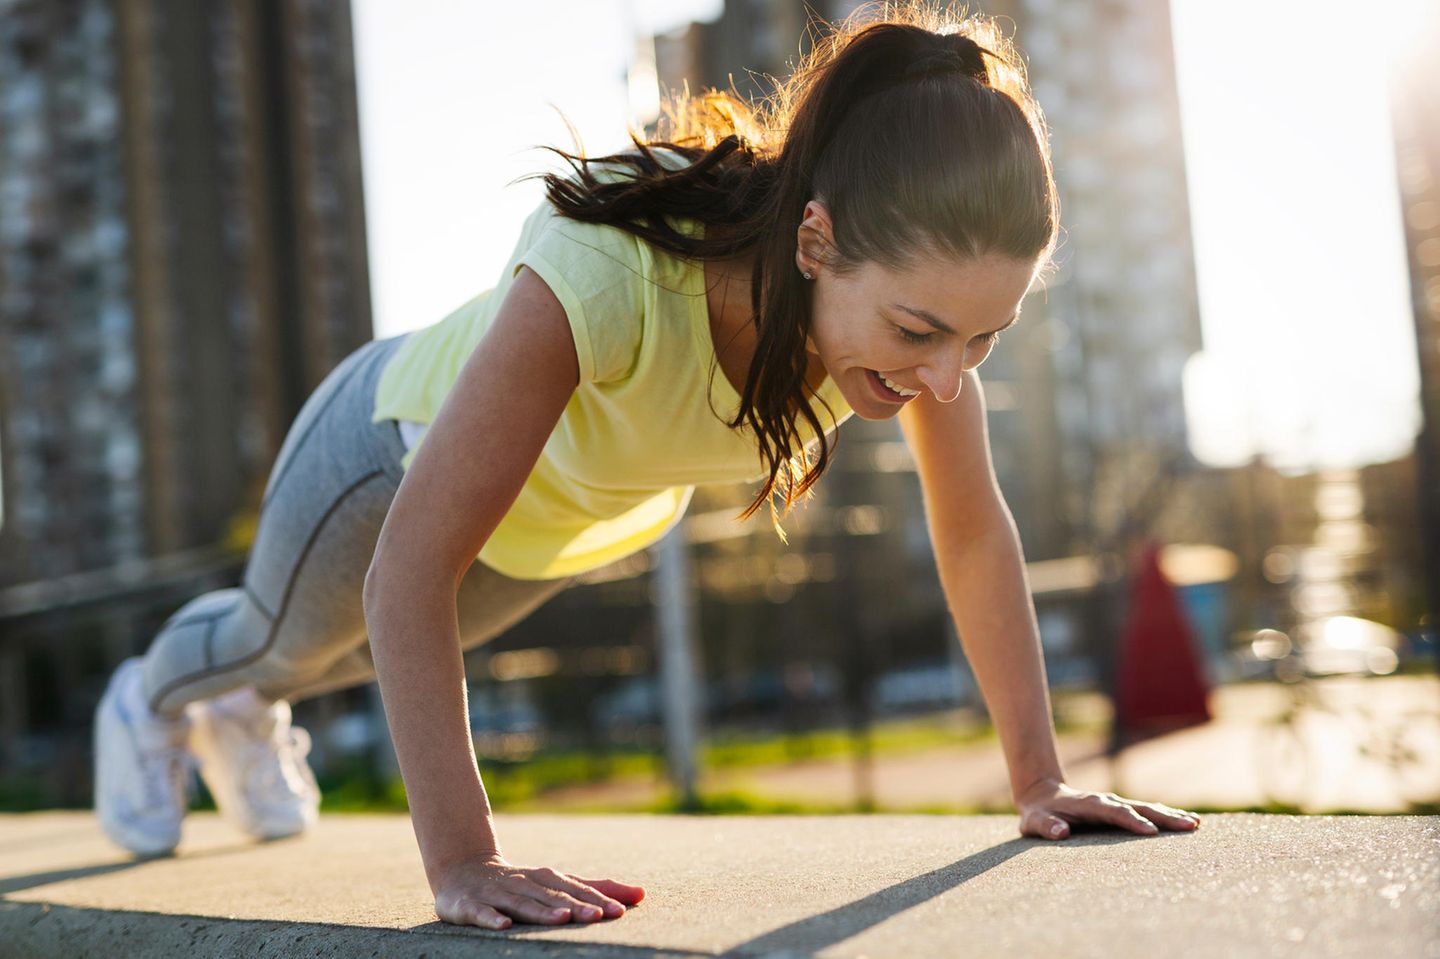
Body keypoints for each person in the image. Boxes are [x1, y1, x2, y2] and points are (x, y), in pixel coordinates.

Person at [93, 0, 1202, 932]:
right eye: (920, 331)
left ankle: (242, 711)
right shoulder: (613, 271)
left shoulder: (914, 336)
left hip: (556, 527)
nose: (948, 378)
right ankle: (151, 696)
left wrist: (1039, 779)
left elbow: (971, 530)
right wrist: (464, 859)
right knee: (275, 638)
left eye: (985, 338)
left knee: (337, 664)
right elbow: (406, 571)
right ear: (815, 240)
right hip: (383, 459)